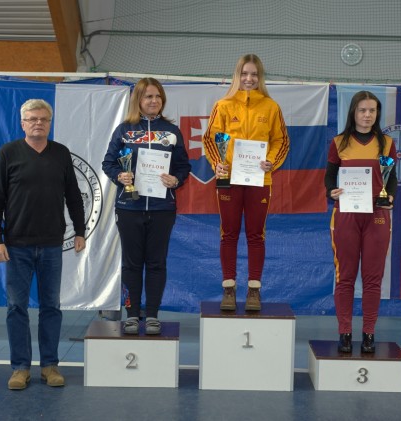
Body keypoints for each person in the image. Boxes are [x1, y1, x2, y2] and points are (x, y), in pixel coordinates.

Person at [0, 99, 86, 390]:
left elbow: (73, 196)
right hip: (16, 245)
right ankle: (20, 368)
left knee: (51, 307)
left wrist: (80, 231)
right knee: (16, 307)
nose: (38, 123)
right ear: (22, 123)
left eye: (43, 119)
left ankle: (49, 365)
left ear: (50, 123)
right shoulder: (8, 153)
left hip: (52, 244)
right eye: (32, 119)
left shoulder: (61, 153)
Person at [102, 77, 191, 335]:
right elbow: (109, 163)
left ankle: (152, 315)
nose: (154, 101)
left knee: (156, 263)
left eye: (157, 96)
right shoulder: (124, 130)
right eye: (148, 96)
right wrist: (120, 175)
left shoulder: (171, 131)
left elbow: (183, 166)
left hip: (162, 209)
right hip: (129, 207)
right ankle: (132, 315)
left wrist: (176, 180)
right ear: (138, 100)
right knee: (131, 264)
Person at [203, 54, 290, 312]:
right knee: (228, 233)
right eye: (244, 74)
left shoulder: (271, 107)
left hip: (259, 179)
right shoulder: (223, 105)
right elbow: (210, 139)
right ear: (237, 75)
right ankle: (228, 288)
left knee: (255, 234)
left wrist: (271, 161)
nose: (249, 79)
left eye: (254, 74)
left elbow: (281, 141)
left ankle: (254, 290)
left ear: (260, 77)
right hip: (229, 179)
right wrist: (217, 163)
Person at [324, 90, 397, 354]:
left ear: (377, 113)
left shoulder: (386, 143)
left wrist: (390, 196)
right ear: (353, 112)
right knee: (345, 278)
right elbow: (330, 175)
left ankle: (369, 333)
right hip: (346, 214)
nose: (367, 115)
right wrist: (331, 191)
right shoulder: (339, 142)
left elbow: (391, 178)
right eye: (362, 110)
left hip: (377, 216)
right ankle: (344, 332)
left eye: (372, 111)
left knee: (372, 279)